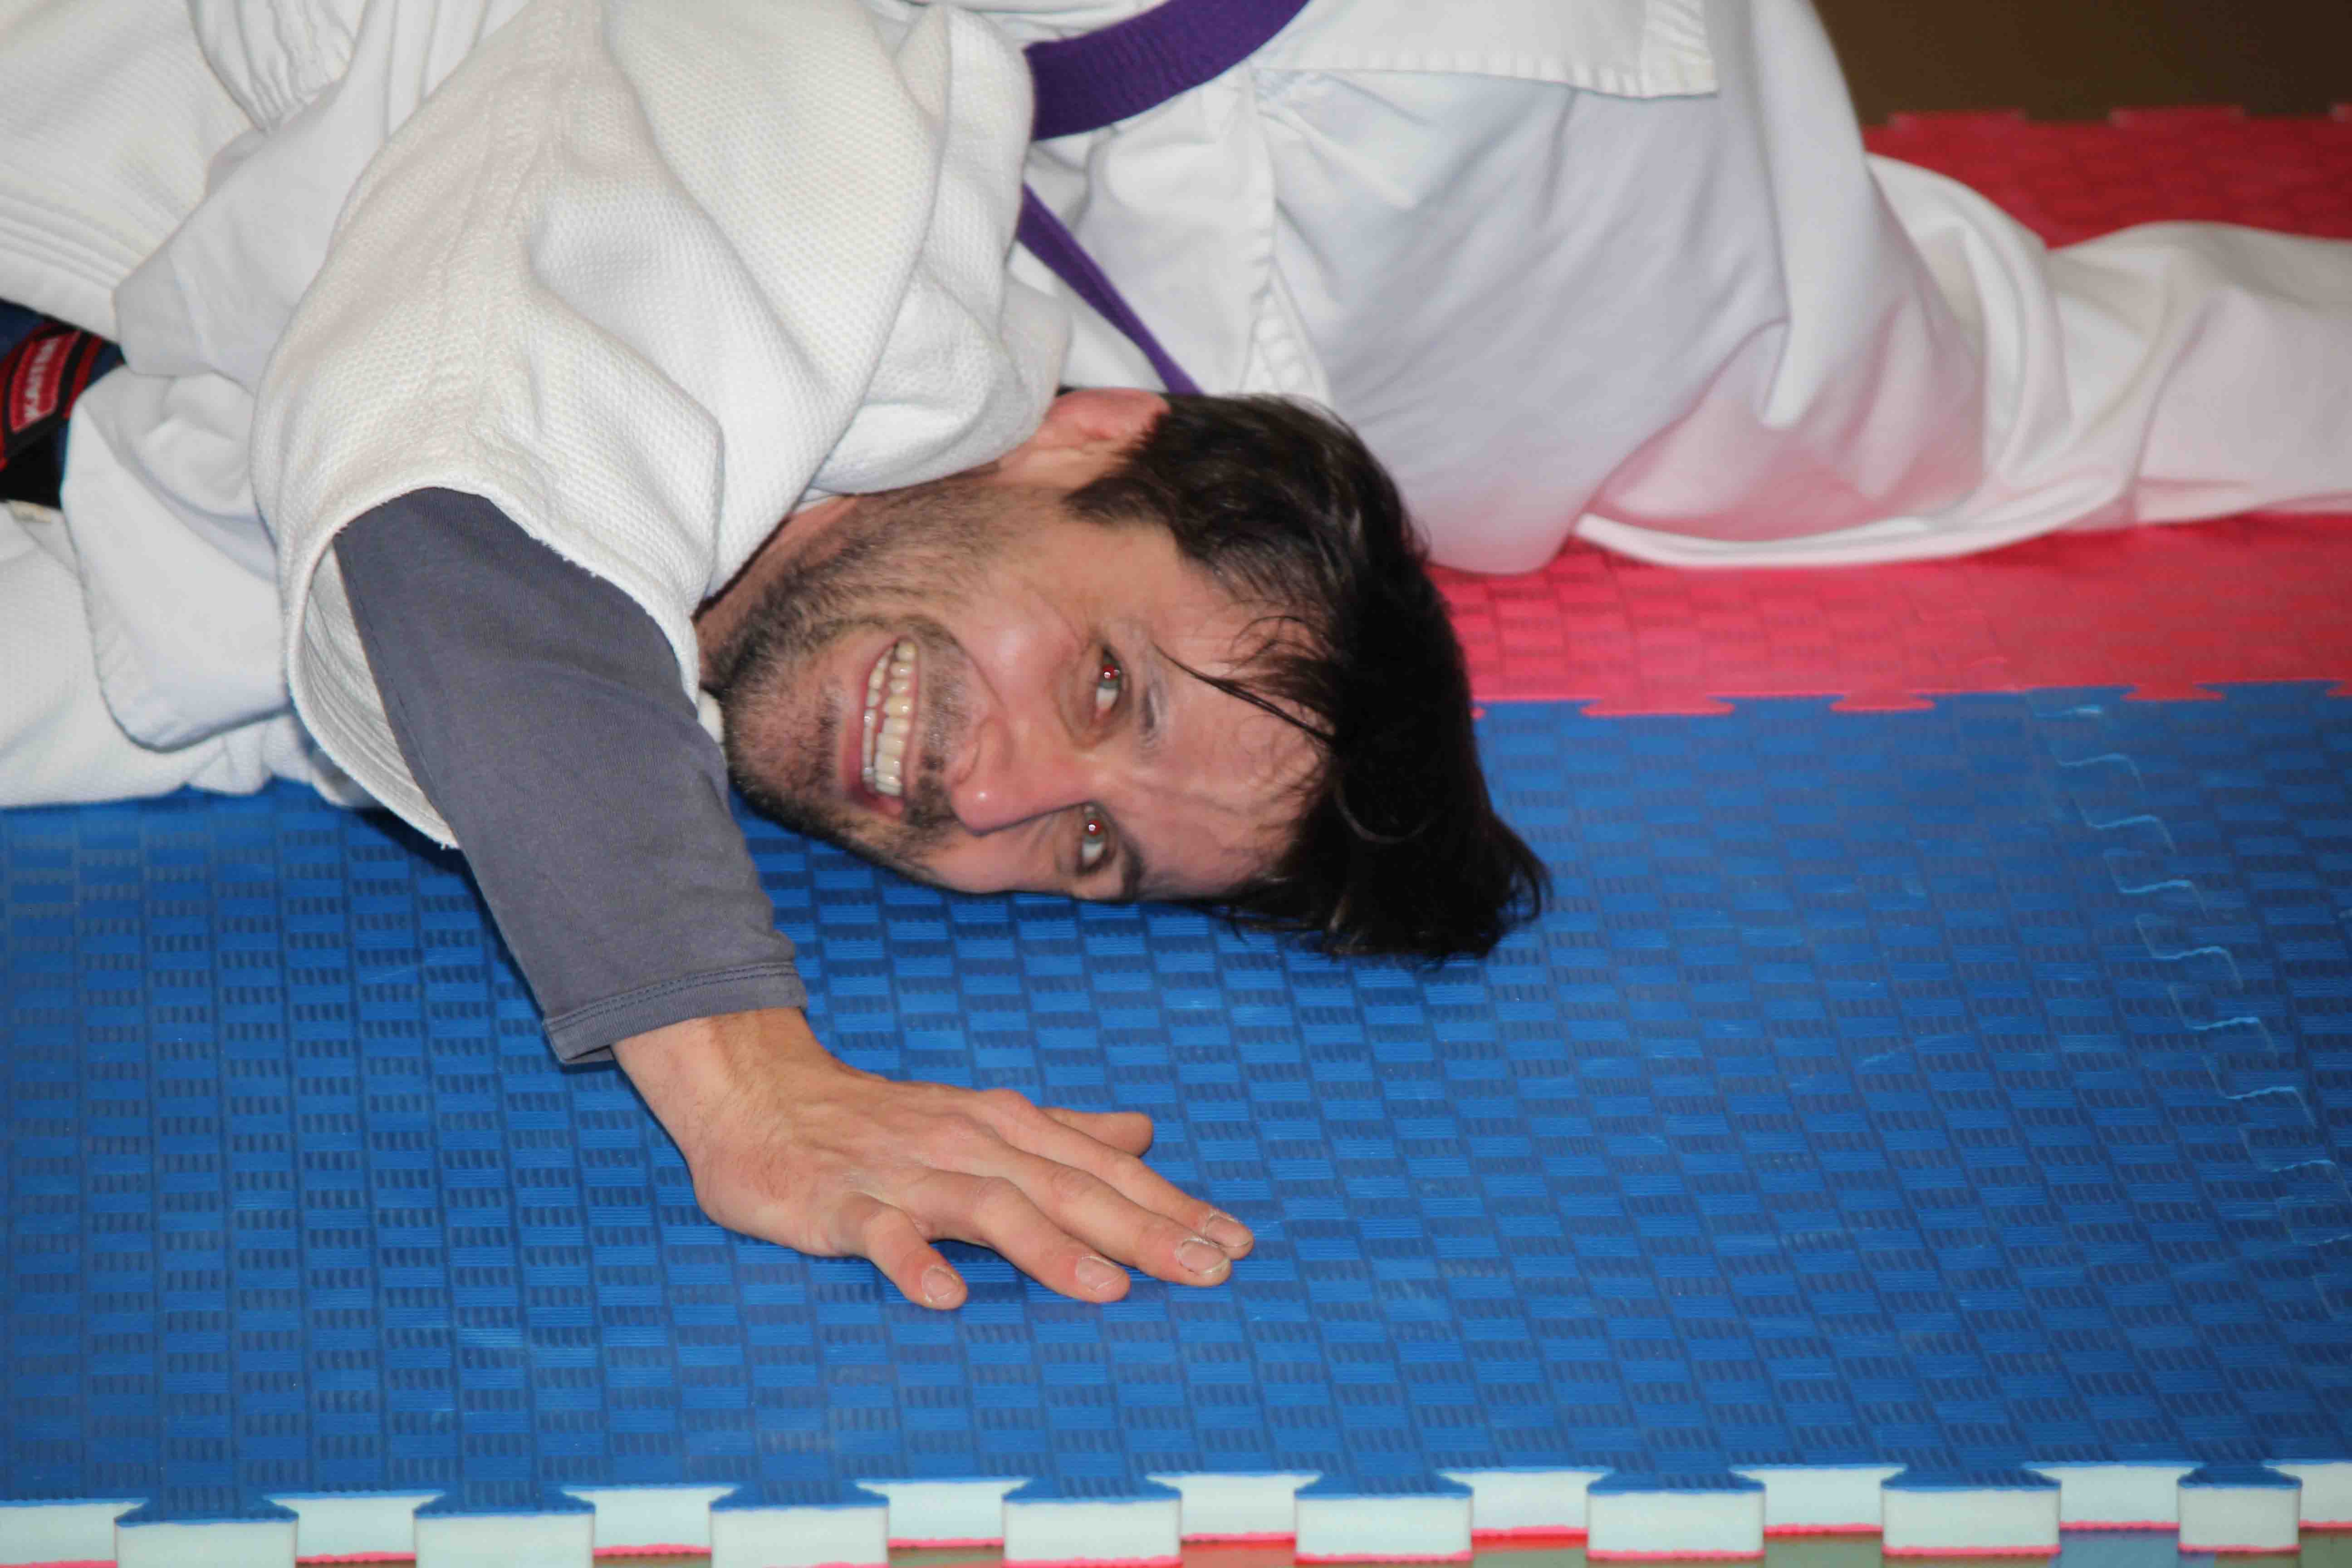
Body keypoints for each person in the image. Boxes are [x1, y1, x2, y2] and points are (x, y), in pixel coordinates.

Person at [4, 0, 2348, 1306]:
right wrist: (754, 1081)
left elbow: (178, 645)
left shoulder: (507, 705)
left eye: (1094, 855)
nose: (996, 794)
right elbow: (469, 502)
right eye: (1110, 686)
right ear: (1085, 436)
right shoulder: (834, 107)